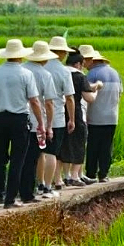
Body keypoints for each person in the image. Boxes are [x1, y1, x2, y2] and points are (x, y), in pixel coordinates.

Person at [0, 39, 45, 209]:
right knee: (18, 159)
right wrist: (41, 123)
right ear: (20, 56)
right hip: (19, 120)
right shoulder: (26, 74)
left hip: (0, 119)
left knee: (0, 158)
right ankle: (10, 199)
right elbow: (34, 101)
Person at [22, 41, 58, 203]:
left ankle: (16, 190)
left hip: (20, 119)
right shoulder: (45, 75)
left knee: (20, 157)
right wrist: (48, 125)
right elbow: (49, 103)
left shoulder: (21, 69)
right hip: (37, 122)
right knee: (34, 157)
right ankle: (29, 192)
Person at [41, 36, 76, 195]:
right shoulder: (63, 71)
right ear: (62, 52)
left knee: (40, 153)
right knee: (52, 152)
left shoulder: (41, 67)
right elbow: (69, 98)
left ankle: (39, 184)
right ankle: (48, 186)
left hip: (37, 117)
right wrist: (72, 119)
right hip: (57, 117)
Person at [85, 51, 123, 183]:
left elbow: (86, 96)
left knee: (93, 146)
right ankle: (104, 174)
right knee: (107, 146)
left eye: (87, 60)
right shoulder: (115, 73)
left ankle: (90, 174)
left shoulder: (92, 74)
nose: (85, 64)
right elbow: (120, 93)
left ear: (93, 61)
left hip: (95, 117)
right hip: (112, 116)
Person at [59, 52, 96, 185]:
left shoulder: (60, 72)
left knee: (64, 145)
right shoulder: (80, 76)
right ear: (78, 64)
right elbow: (89, 98)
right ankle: (75, 176)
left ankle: (65, 176)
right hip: (76, 113)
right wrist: (96, 90)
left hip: (59, 113)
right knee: (80, 142)